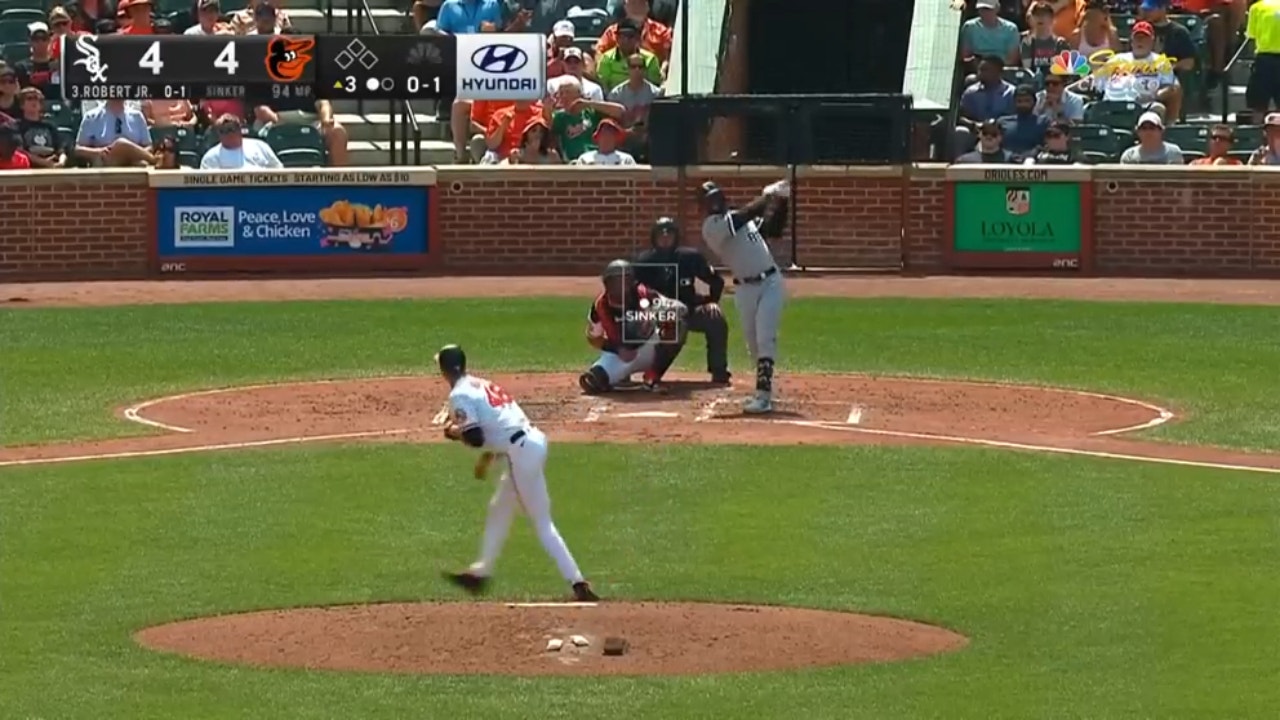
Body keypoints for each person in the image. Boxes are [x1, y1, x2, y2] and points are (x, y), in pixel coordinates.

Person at [436, 344, 600, 603]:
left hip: (521, 454)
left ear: (443, 369)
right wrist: (488, 458)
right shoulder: (481, 384)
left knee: (542, 522)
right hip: (530, 443)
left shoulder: (460, 395)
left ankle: (578, 581)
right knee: (499, 508)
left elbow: (476, 436)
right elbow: (501, 425)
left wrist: (454, 432)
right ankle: (480, 573)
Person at [697, 180, 788, 414]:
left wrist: (782, 201)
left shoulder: (740, 220)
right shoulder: (711, 228)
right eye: (710, 200)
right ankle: (763, 391)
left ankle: (763, 396)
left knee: (765, 337)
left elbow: (772, 228)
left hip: (770, 282)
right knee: (753, 342)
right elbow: (745, 215)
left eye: (717, 198)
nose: (715, 203)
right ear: (703, 206)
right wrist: (767, 196)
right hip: (744, 289)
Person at [632, 217, 731, 385]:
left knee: (715, 318)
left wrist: (710, 302)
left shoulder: (690, 258)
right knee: (672, 326)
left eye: (669, 235)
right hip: (655, 314)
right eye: (661, 236)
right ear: (654, 238)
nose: (665, 239)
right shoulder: (643, 262)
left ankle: (718, 370)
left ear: (676, 237)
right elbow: (631, 292)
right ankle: (646, 371)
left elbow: (716, 281)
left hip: (688, 310)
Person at [579, 259, 689, 394]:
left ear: (632, 282)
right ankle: (621, 376)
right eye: (616, 282)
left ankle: (652, 377)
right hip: (621, 355)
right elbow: (594, 338)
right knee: (593, 381)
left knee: (678, 325)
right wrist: (618, 349)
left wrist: (667, 313)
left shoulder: (646, 295)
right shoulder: (600, 307)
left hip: (650, 348)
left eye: (625, 281)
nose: (621, 286)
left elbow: (677, 308)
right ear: (607, 284)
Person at [199, 114, 282, 169]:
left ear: (239, 130)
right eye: (222, 130)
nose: (227, 133)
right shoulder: (210, 157)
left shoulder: (260, 146)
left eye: (231, 129)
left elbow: (278, 169)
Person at [1119, 111, 1185, 163]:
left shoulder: (1174, 153)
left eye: (1152, 128)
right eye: (1144, 128)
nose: (1148, 132)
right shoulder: (1129, 156)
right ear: (1138, 132)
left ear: (1161, 130)